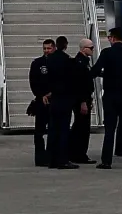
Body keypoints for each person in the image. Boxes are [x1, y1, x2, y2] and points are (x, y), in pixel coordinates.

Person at [90, 27, 122, 169]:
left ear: (113, 38)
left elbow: (95, 70)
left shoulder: (107, 53)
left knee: (110, 130)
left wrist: (99, 74)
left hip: (111, 96)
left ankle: (106, 161)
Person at [45, 36, 78, 169]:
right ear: (65, 45)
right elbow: (71, 80)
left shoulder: (49, 60)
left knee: (53, 130)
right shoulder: (67, 60)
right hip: (65, 98)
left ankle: (51, 159)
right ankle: (63, 159)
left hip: (54, 98)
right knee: (64, 130)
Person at [69, 38, 96, 164]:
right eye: (91, 48)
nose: (93, 50)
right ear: (83, 49)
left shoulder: (84, 61)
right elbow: (80, 85)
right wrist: (83, 102)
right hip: (81, 100)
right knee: (82, 128)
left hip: (84, 98)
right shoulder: (80, 63)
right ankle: (79, 154)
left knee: (81, 126)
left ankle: (76, 152)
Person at [28, 39, 54, 166]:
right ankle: (39, 157)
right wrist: (40, 95)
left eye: (49, 48)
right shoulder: (37, 63)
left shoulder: (57, 62)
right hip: (40, 101)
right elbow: (33, 82)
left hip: (54, 101)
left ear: (54, 48)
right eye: (44, 48)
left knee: (53, 130)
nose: (46, 51)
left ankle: (51, 156)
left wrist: (51, 94)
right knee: (39, 131)